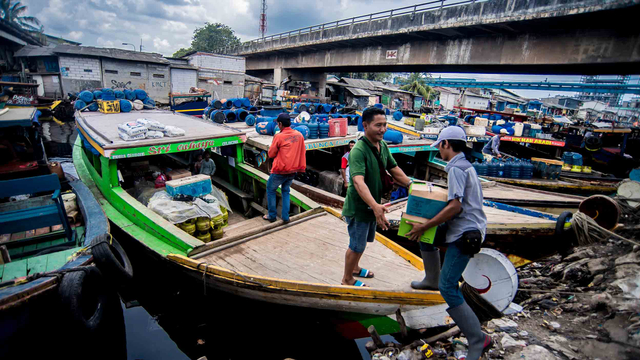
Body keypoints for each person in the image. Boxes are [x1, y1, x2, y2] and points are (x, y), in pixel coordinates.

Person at [406, 126, 492, 360]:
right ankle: (431, 279)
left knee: (449, 287)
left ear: (446, 144)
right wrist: (428, 226)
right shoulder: (464, 164)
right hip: (465, 225)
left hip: (466, 233)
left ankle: (478, 338)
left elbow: (456, 206)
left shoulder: (456, 168)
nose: (439, 152)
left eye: (440, 147)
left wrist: (425, 224)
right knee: (426, 237)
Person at [341, 107, 412, 287]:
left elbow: (394, 168)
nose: (383, 129)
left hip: (373, 206)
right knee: (356, 245)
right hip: (359, 207)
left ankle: (355, 268)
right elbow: (357, 181)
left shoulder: (383, 146)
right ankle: (347, 278)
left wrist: (411, 185)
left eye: (385, 125)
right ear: (365, 125)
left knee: (363, 242)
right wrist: (375, 206)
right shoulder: (358, 151)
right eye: (378, 125)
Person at [263, 113, 306, 223]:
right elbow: (302, 152)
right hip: (293, 170)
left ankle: (272, 216)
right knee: (286, 191)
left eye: (278, 124)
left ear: (280, 124)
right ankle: (285, 217)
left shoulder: (279, 136)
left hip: (280, 170)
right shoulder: (299, 135)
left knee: (270, 189)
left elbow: (271, 154)